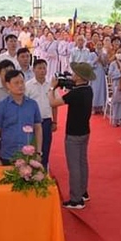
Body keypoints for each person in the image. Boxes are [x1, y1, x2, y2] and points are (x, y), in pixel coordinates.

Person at [48, 62, 95, 209]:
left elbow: (53, 102)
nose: (72, 75)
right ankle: (83, 192)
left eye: (75, 73)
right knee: (82, 162)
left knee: (74, 166)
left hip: (73, 133)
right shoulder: (88, 90)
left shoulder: (75, 93)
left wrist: (52, 88)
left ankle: (76, 199)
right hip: (85, 131)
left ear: (79, 77)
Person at [0, 70, 42, 166]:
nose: (20, 85)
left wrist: (38, 152)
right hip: (7, 156)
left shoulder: (33, 104)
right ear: (8, 85)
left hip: (29, 156)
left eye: (22, 82)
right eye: (16, 83)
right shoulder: (1, 107)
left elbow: (38, 128)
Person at [25, 59, 58, 170]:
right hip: (32, 122)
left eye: (44, 68)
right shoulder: (28, 86)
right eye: (39, 68)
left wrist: (55, 121)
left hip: (46, 121)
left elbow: (54, 105)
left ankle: (44, 169)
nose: (42, 71)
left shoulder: (51, 86)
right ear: (33, 70)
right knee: (32, 147)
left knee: (46, 146)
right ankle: (31, 171)